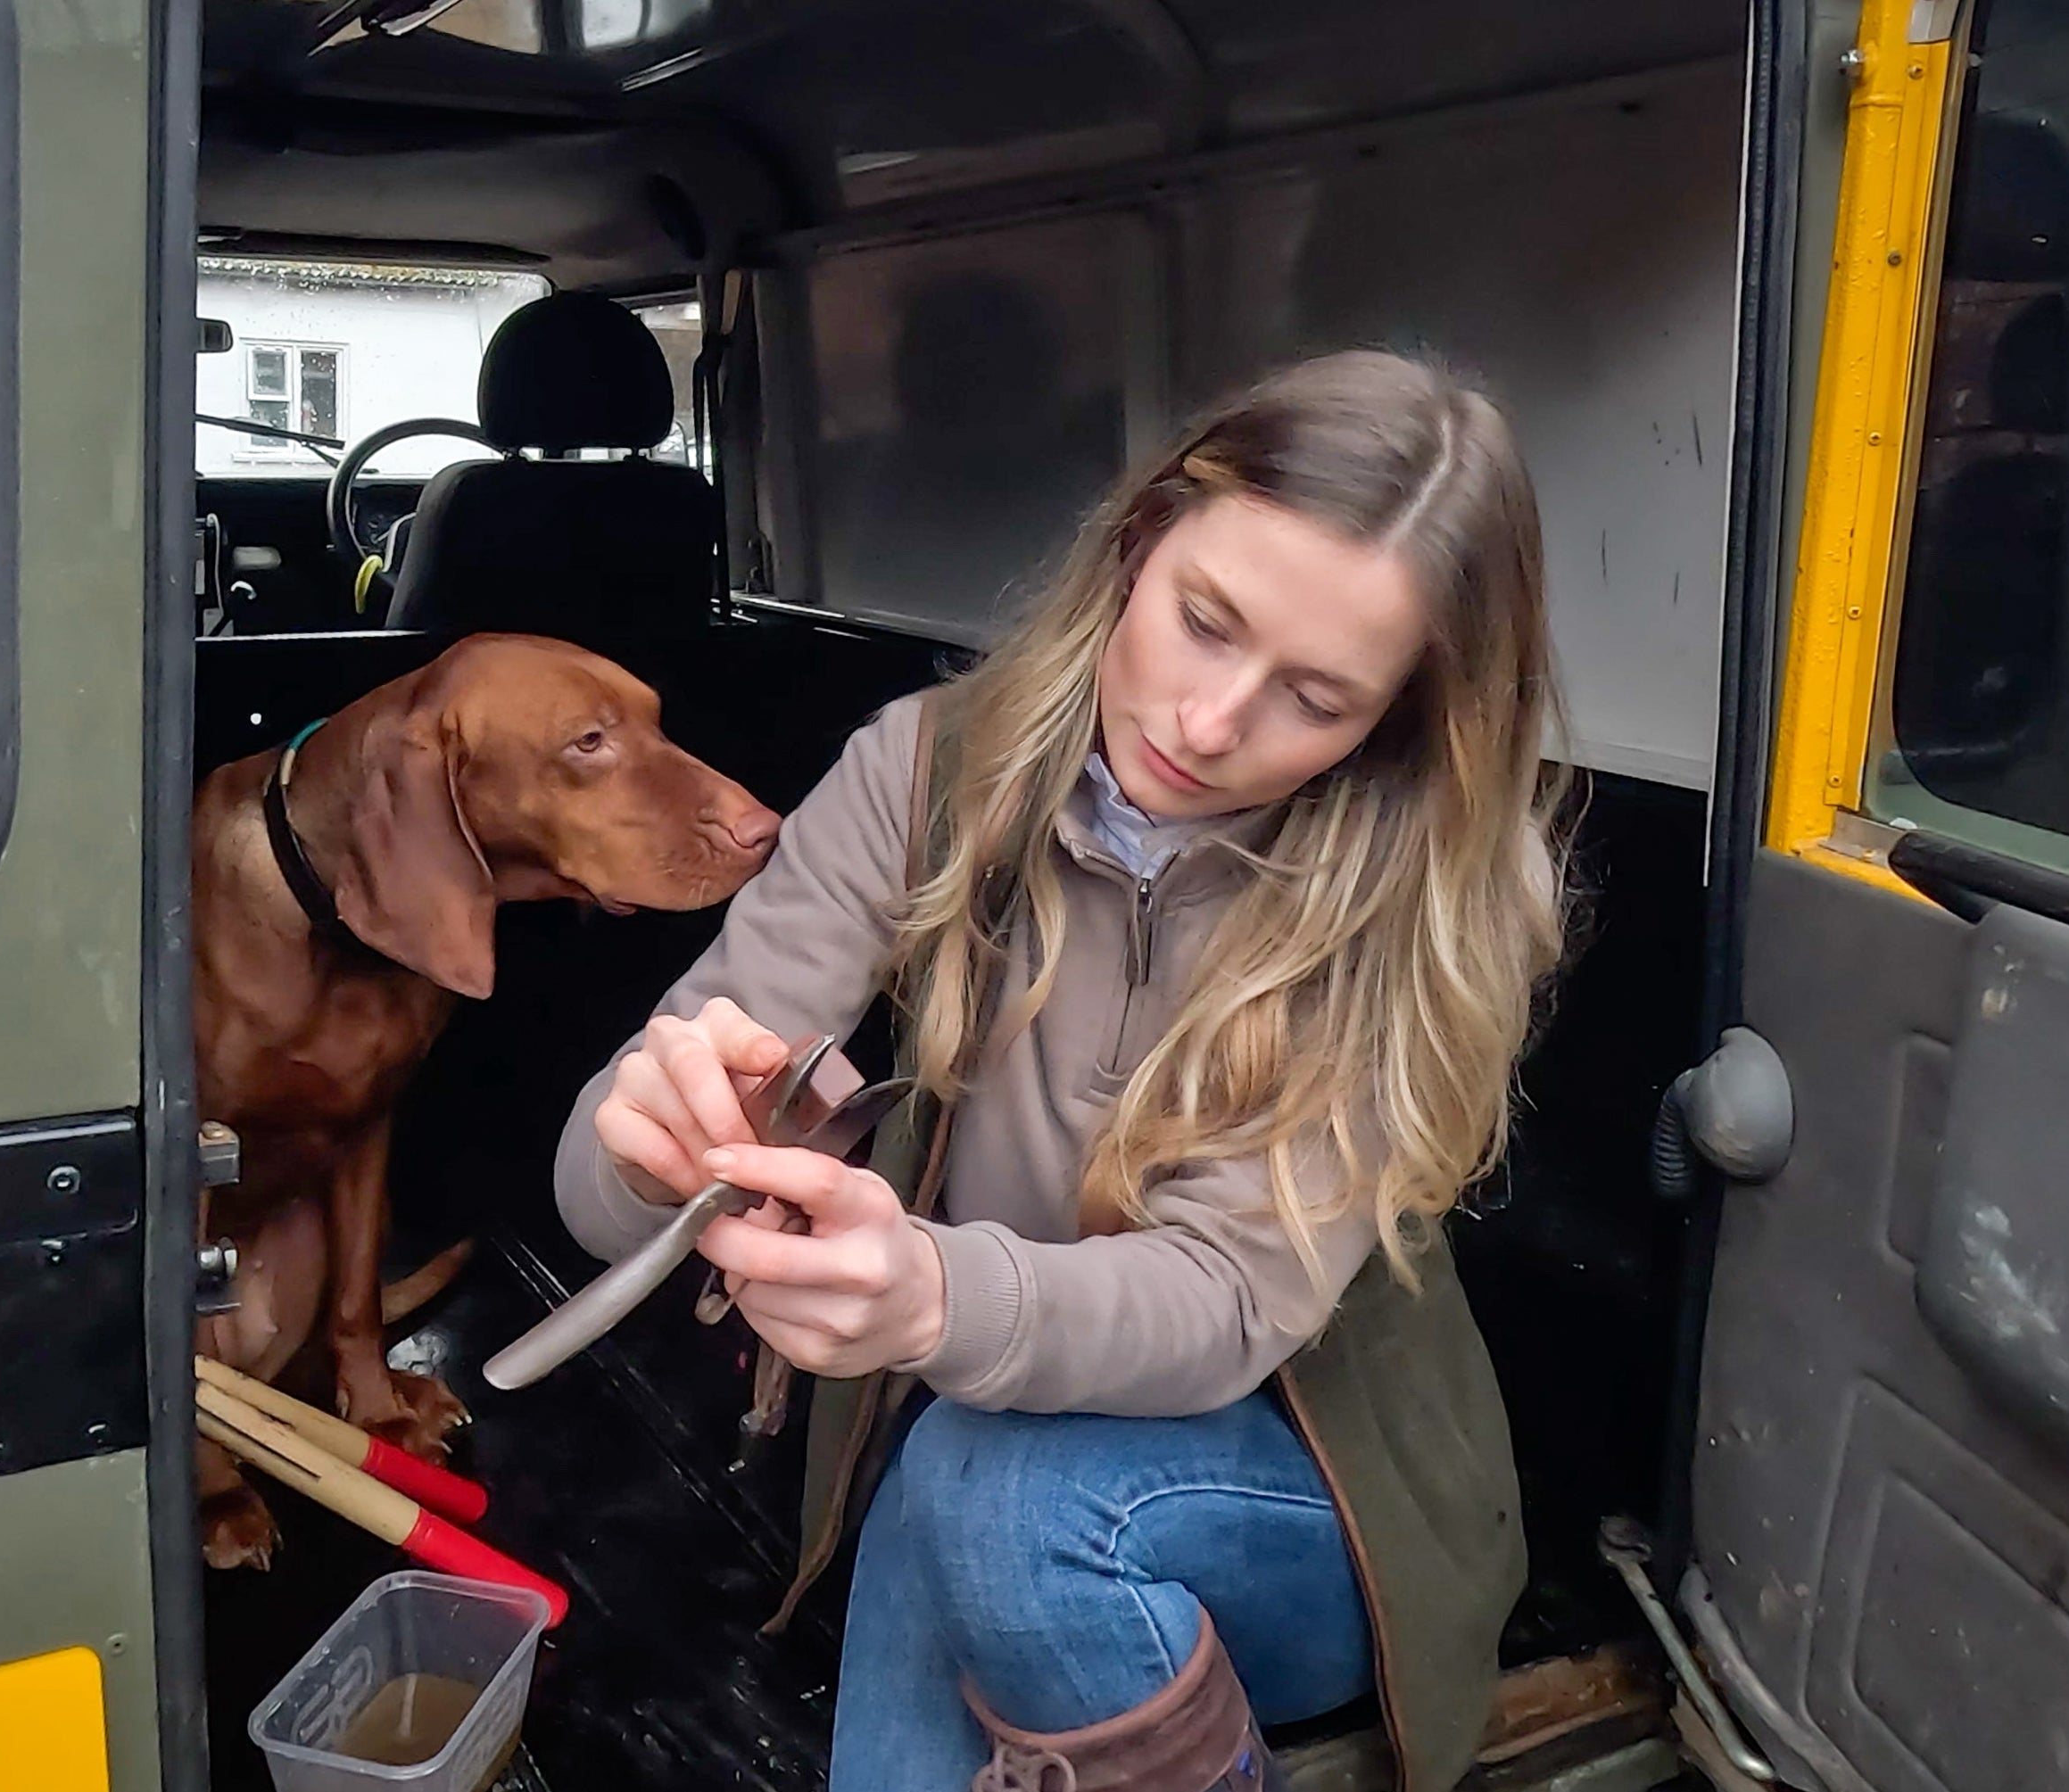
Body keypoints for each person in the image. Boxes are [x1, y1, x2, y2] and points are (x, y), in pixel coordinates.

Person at [552, 351, 1568, 1792]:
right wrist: (650, 1147)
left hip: (1327, 1508)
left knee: (990, 1484)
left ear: (1396, 722)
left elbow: (1222, 1302)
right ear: (1142, 537)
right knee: (969, 1471)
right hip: (979, 1429)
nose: (1212, 724)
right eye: (1203, 622)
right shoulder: (922, 770)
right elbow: (612, 1167)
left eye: (1319, 700)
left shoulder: (1429, 898)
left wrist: (929, 1296)